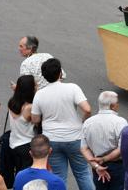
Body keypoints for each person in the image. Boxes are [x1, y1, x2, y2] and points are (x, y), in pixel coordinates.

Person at [31, 59, 94, 190]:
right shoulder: (72, 88)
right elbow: (87, 109)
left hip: (52, 139)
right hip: (75, 137)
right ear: (60, 73)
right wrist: (82, 121)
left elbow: (35, 119)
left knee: (59, 177)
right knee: (82, 173)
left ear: (44, 76)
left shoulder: (39, 94)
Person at [80, 92, 128, 190]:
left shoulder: (88, 122)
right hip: (117, 166)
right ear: (113, 106)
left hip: (98, 167)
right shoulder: (120, 122)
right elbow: (122, 148)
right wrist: (104, 159)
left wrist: (96, 166)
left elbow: (84, 148)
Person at [8, 75, 37, 176]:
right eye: (35, 85)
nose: (37, 86)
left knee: (19, 175)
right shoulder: (29, 107)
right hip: (26, 146)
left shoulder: (12, 103)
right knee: (27, 177)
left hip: (13, 143)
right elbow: (37, 121)